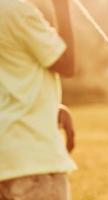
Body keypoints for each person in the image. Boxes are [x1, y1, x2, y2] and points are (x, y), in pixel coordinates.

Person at [0, 0, 77, 199]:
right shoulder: (16, 10)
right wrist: (61, 6)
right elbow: (66, 63)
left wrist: (49, 107)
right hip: (32, 161)